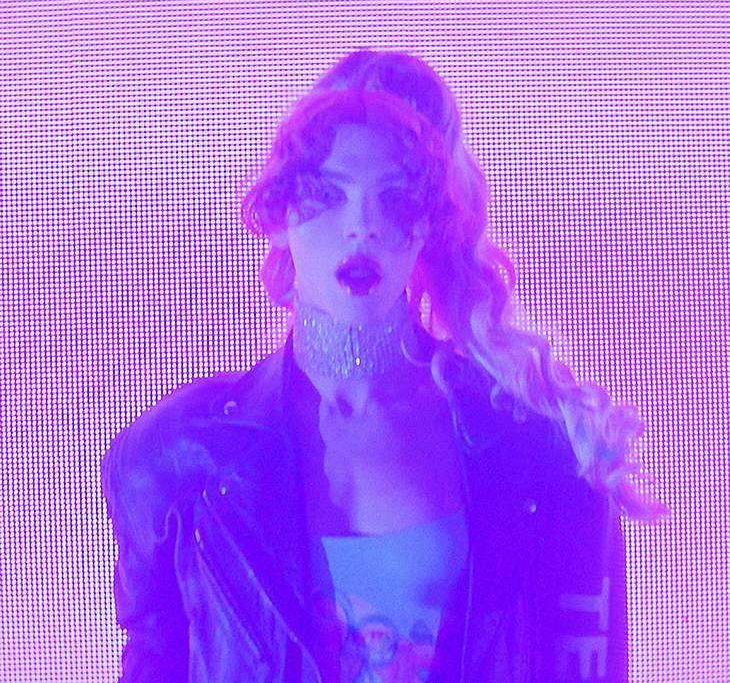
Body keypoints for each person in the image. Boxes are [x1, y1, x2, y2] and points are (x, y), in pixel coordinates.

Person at [102, 49, 665, 683]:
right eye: (327, 192)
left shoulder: (537, 447)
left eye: (395, 196)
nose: (361, 227)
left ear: (430, 218)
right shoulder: (173, 455)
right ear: (280, 211)